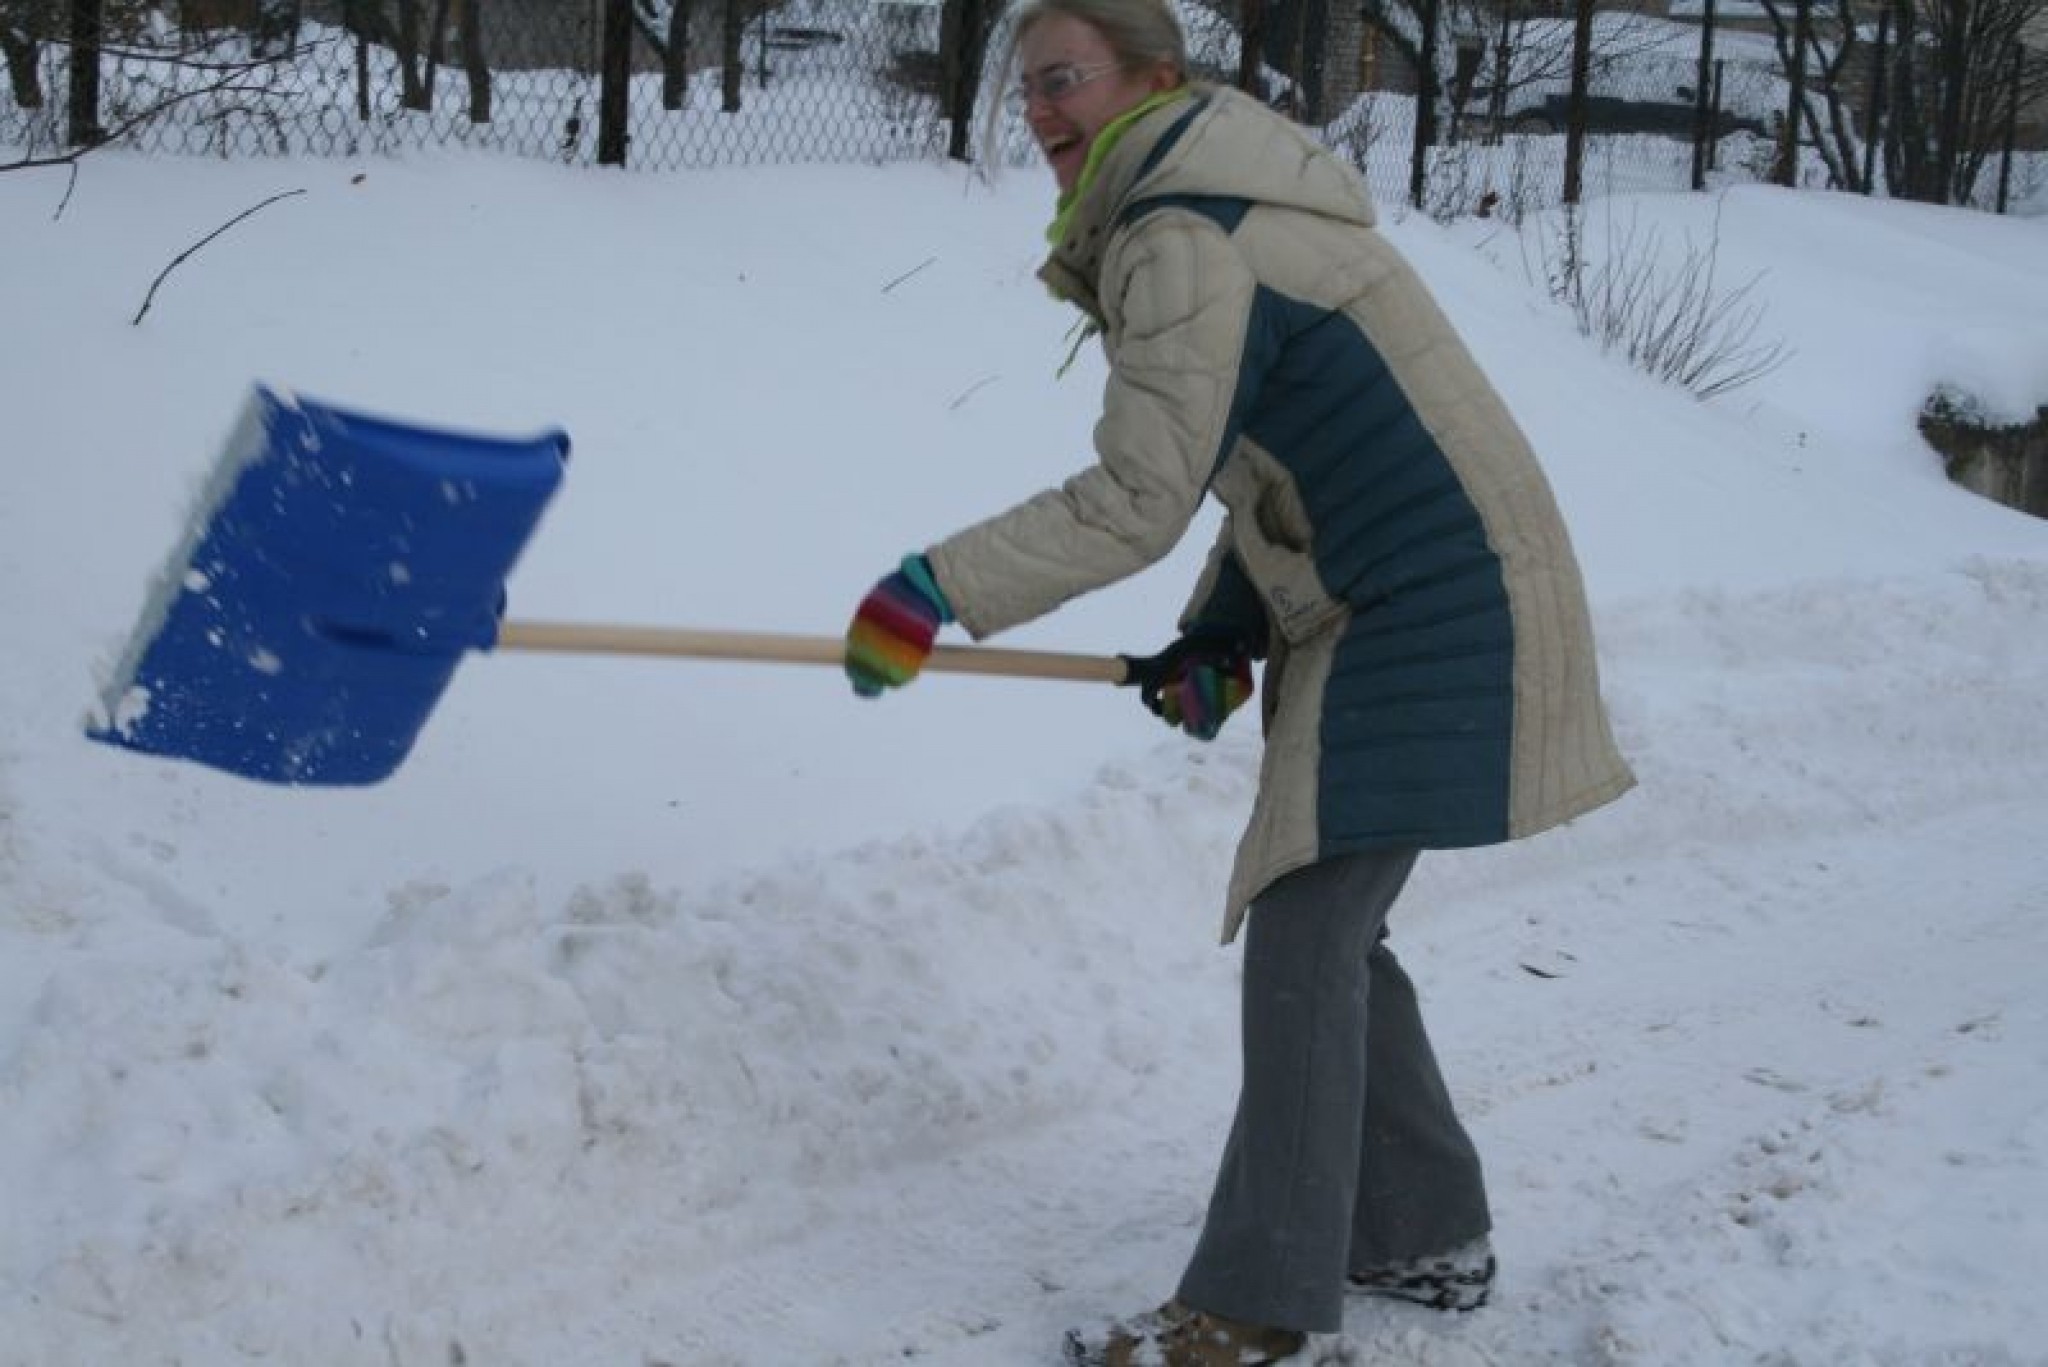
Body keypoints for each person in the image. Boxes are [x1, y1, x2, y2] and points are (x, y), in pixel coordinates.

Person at [842, 0, 1637, 1360]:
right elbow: (1272, 461)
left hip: (1426, 603)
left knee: (1305, 935)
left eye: (1065, 80)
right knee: (1331, 933)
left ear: (1156, 78)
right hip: (1422, 584)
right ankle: (1420, 1232)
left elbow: (1142, 494)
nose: (1039, 110)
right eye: (1023, 85)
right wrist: (1223, 628)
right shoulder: (1206, 200)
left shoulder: (1181, 234)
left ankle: (1256, 1306)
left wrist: (937, 588)